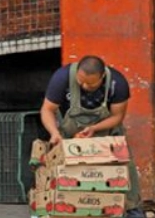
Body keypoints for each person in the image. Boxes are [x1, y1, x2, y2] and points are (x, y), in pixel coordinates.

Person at [40, 55, 140, 207]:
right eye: (81, 82)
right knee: (67, 176)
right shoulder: (62, 78)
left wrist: (94, 128)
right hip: (70, 136)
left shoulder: (117, 84)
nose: (85, 86)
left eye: (91, 84)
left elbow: (117, 117)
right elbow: (47, 109)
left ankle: (131, 210)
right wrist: (54, 133)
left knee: (123, 170)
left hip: (105, 132)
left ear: (103, 76)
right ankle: (66, 209)